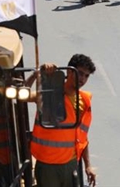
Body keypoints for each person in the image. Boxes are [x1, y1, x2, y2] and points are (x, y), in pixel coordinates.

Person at [29, 54, 97, 187]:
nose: (82, 79)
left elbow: (82, 137)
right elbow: (20, 94)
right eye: (80, 73)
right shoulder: (48, 93)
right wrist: (36, 74)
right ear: (69, 71)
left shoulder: (84, 101)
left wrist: (88, 166)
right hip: (48, 165)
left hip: (70, 164)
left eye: (86, 76)